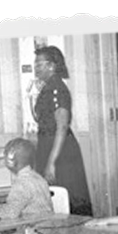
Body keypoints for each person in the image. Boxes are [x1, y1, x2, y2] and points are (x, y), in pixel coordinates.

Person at [31, 45, 92, 216]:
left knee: (67, 198)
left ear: (51, 66)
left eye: (39, 64)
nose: (35, 67)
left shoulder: (57, 88)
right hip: (48, 145)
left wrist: (51, 162)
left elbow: (62, 126)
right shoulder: (48, 87)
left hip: (61, 151)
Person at [0, 138, 54, 220]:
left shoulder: (21, 184)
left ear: (10, 161)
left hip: (34, 229)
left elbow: (11, 212)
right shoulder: (39, 178)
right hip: (47, 226)